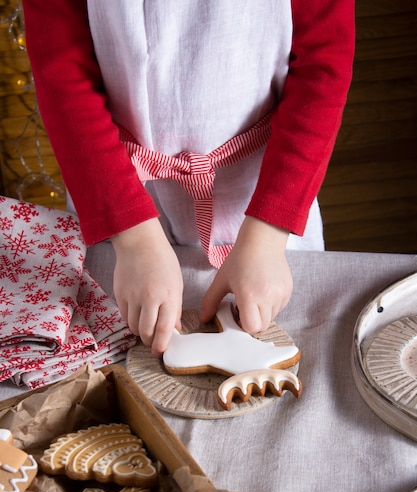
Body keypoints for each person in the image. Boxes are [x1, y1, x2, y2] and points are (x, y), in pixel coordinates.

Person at [22, 0, 355, 356]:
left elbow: (324, 62)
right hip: (115, 192)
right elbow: (61, 73)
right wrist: (134, 241)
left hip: (264, 199)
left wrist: (267, 237)